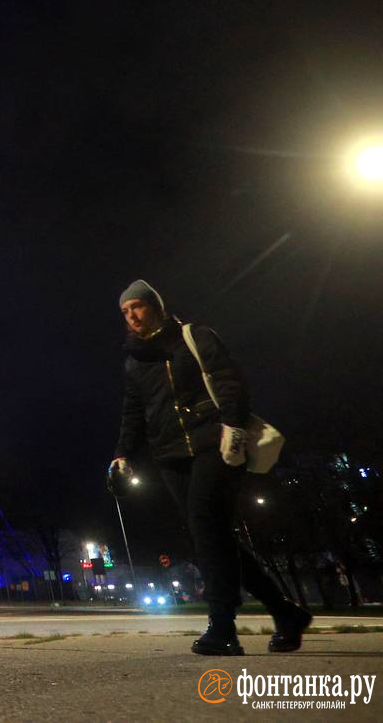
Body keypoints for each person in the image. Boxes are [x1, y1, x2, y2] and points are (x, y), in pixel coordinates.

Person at [110, 279, 311, 655]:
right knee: (213, 537)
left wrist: (233, 428)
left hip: (214, 444)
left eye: (137, 306)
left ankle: (223, 627)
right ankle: (286, 613)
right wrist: (121, 454)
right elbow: (133, 413)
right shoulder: (135, 361)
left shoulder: (194, 336)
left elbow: (228, 381)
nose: (132, 316)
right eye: (125, 311)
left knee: (206, 527)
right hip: (169, 454)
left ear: (155, 305)